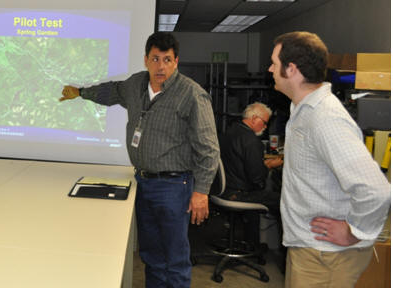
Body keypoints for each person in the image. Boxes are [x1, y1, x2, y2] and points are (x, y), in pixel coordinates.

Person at [59, 32, 219, 288]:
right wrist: (80, 92)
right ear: (146, 60)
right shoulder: (135, 85)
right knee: (151, 256)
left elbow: (209, 149)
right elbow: (111, 92)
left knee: (175, 258)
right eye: (155, 59)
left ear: (176, 61)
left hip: (174, 186)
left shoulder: (191, 94)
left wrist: (201, 192)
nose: (161, 66)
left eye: (167, 60)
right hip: (142, 183)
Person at [269, 31, 390, 287]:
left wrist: (354, 231)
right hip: (311, 249)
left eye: (274, 63)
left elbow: (376, 190)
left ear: (291, 69)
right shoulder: (303, 110)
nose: (270, 69)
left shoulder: (324, 118)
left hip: (325, 257)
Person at [220, 102, 282, 235]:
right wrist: (269, 166)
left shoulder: (231, 131)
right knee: (285, 200)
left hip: (224, 190)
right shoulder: (251, 141)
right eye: (264, 122)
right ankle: (275, 247)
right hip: (239, 193)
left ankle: (250, 239)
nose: (265, 127)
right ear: (254, 118)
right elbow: (257, 180)